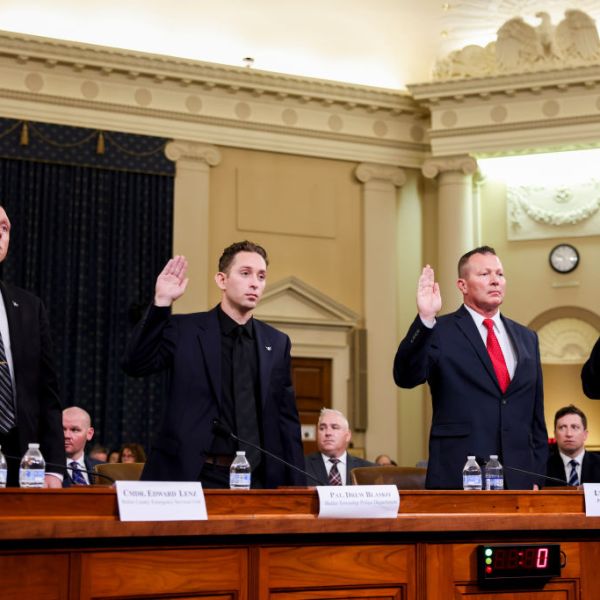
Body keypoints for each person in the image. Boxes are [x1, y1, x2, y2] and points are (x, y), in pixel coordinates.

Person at [122, 241, 305, 488]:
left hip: (259, 478)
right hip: (195, 475)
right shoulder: (185, 330)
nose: (255, 283)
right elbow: (135, 364)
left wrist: (298, 487)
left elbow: (286, 421)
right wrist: (161, 302)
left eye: (261, 276)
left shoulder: (277, 342)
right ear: (221, 280)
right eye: (245, 273)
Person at [393, 246, 547, 490]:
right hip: (460, 474)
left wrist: (537, 476)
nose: (495, 280)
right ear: (462, 285)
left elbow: (536, 418)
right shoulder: (439, 331)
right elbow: (405, 376)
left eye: (500, 274)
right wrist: (425, 319)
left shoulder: (527, 337)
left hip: (520, 479)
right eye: (485, 274)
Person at [0, 205, 64, 487]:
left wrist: (55, 468)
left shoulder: (28, 306)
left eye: (4, 228)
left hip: (21, 458)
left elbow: (48, 393)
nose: (0, 234)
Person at [304, 408, 374, 485]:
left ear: (348, 435)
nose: (328, 433)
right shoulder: (301, 467)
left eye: (334, 427)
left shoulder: (368, 470)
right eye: (322, 428)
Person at [545, 404, 600, 486]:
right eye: (562, 427)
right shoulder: (543, 467)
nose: (569, 434)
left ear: (585, 434)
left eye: (574, 427)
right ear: (555, 434)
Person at [62, 406, 103, 486]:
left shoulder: (103, 469)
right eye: (62, 429)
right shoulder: (44, 468)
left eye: (74, 430)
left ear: (89, 434)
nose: (66, 435)